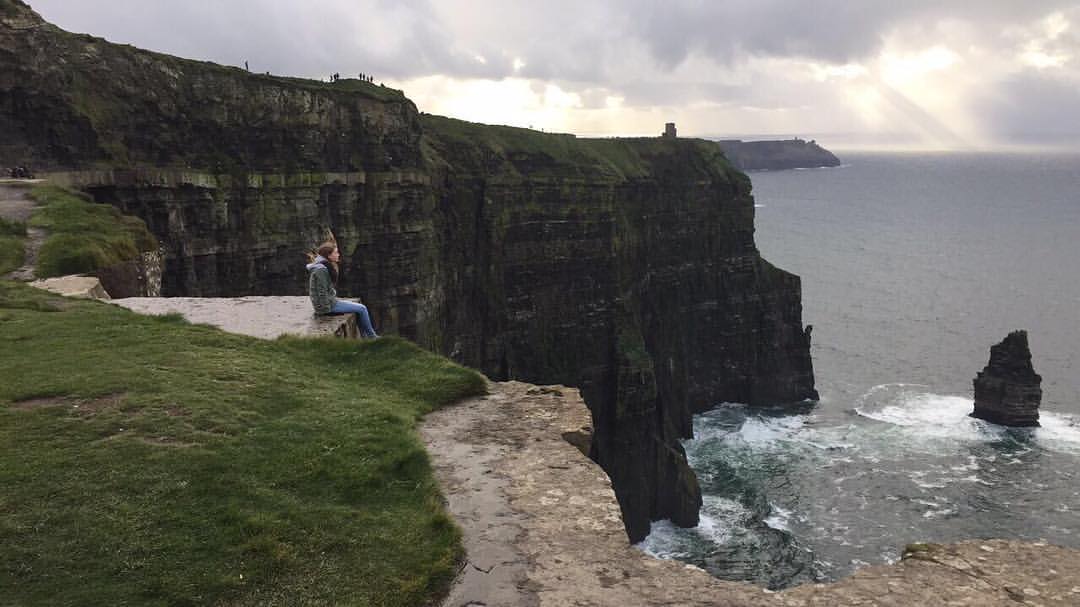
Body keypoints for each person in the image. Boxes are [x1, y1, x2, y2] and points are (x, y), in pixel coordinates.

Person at [306, 242, 378, 338]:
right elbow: (321, 291)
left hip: (329, 301)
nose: (338, 254)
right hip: (326, 306)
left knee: (359, 309)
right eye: (336, 253)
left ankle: (365, 337)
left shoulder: (323, 266)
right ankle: (372, 336)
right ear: (329, 255)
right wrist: (325, 310)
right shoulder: (321, 270)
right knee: (362, 309)